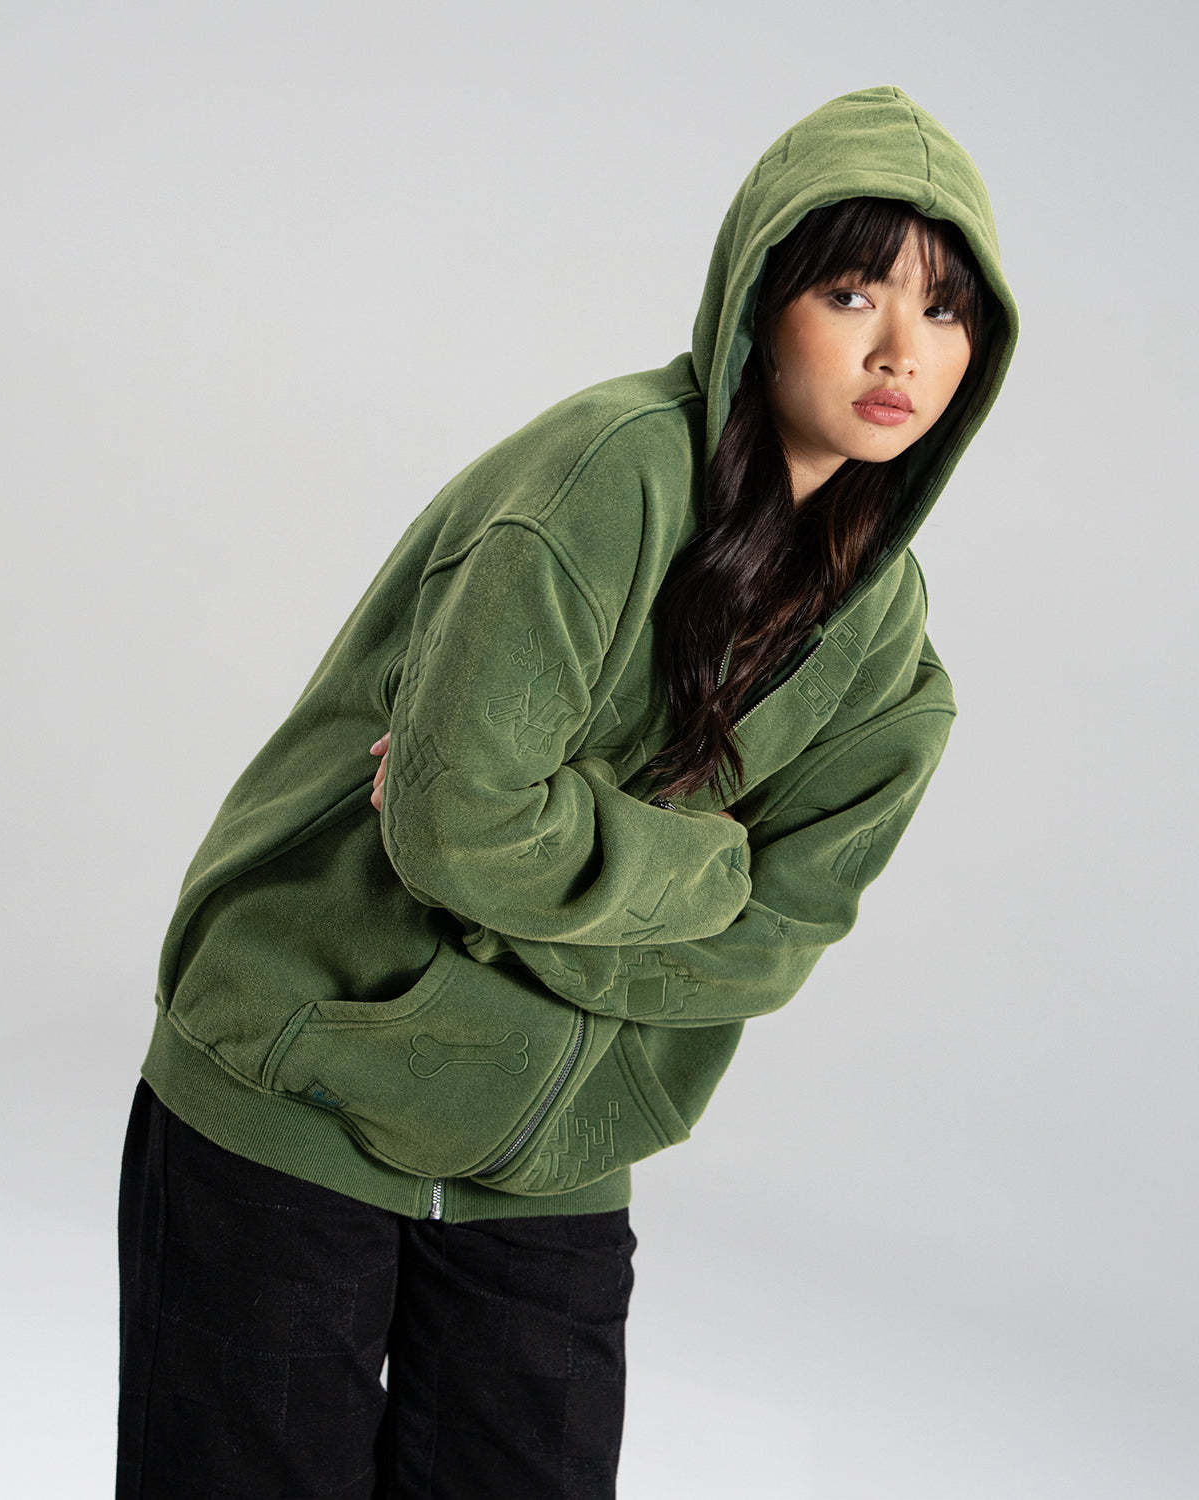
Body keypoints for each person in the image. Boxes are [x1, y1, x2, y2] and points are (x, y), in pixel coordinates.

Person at [117, 83, 1019, 1498]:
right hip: (296, 1087)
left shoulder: (895, 670)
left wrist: (545, 854)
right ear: (757, 299)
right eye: (852, 292)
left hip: (549, 1163)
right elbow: (458, 826)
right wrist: (701, 864)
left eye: (946, 310)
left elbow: (761, 950)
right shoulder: (604, 479)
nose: (902, 349)